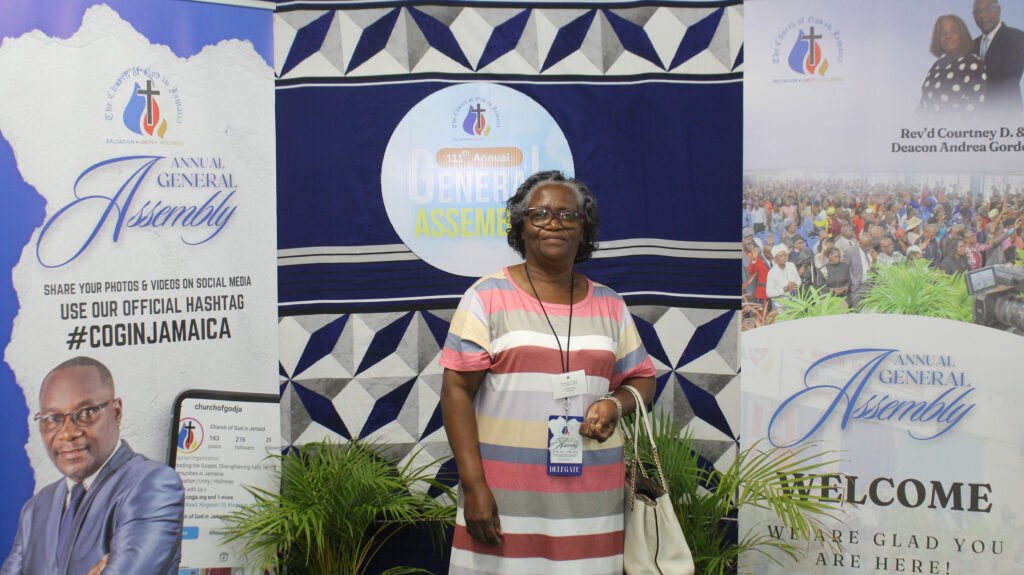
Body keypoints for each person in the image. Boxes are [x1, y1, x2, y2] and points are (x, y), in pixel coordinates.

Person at [439, 171, 657, 574]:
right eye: (539, 213)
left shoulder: (610, 305)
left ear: (584, 230)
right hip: (506, 498)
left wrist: (613, 404)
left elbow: (643, 379)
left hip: (592, 503)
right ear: (521, 228)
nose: (554, 222)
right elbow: (455, 392)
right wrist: (474, 487)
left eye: (567, 215)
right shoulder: (486, 298)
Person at [2, 357, 184, 575]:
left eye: (86, 413)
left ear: (116, 412)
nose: (67, 433)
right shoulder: (35, 508)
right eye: (52, 418)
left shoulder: (153, 485)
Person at [922, 14, 988, 115]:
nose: (948, 36)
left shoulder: (973, 65)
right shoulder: (937, 65)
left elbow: (974, 112)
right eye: (942, 33)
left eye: (953, 31)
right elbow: (924, 105)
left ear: (962, 35)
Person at [973, 0, 1024, 113]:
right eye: (978, 11)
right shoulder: (972, 45)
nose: (983, 15)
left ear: (998, 10)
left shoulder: (1016, 37)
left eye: (988, 9)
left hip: (1005, 116)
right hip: (976, 118)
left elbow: (1009, 78)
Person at [766, 245, 801, 309]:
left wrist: (795, 285)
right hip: (780, 305)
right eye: (780, 256)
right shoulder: (772, 272)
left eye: (784, 255)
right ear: (775, 259)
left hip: (794, 300)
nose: (784, 257)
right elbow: (769, 293)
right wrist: (784, 289)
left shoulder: (791, 265)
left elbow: (798, 280)